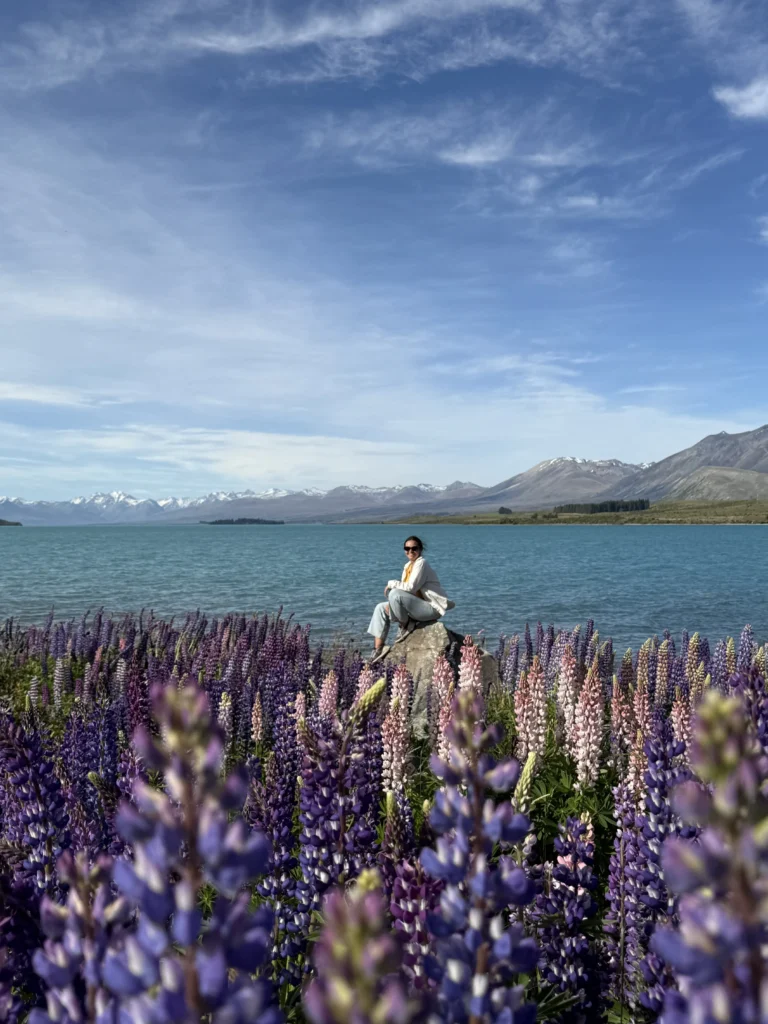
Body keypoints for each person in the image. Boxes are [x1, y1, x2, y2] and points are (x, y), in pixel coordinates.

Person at [368, 535, 455, 665]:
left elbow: (411, 587)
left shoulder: (422, 563)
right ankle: (377, 649)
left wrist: (392, 583)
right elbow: (407, 593)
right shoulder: (408, 566)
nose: (410, 551)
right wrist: (392, 605)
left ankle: (404, 626)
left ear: (420, 550)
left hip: (431, 607)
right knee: (380, 608)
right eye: (407, 548)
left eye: (414, 548)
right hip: (417, 606)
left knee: (395, 593)